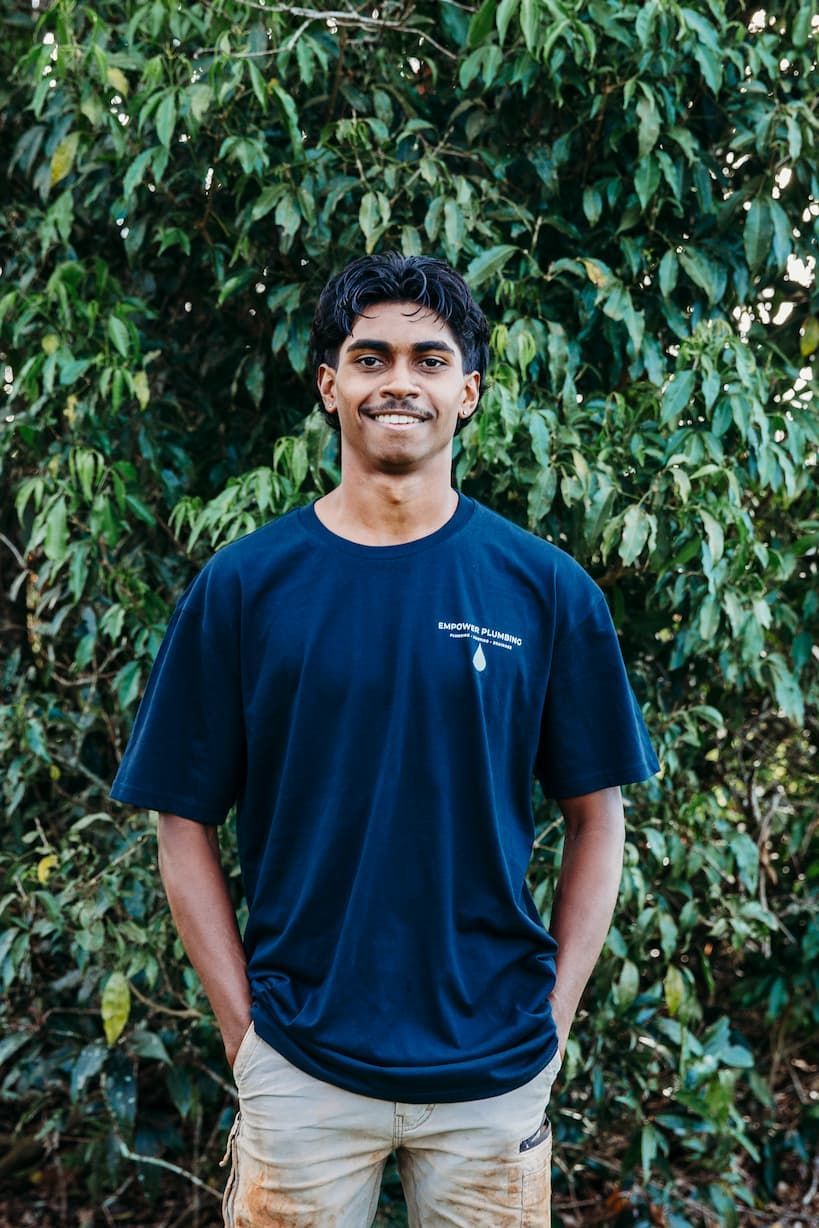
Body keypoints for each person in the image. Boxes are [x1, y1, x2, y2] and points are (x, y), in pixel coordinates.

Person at [109, 252, 661, 1227]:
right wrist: (247, 1035)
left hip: (492, 1065)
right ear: (330, 385)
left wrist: (554, 1017)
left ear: (468, 390)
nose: (398, 380)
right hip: (303, 1064)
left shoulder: (543, 590)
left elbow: (597, 816)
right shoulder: (246, 587)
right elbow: (180, 818)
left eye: (428, 357)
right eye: (370, 357)